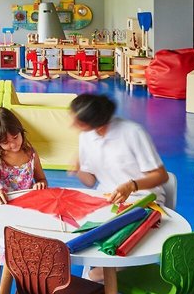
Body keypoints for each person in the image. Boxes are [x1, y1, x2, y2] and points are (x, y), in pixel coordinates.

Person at [68, 93, 168, 282]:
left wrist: (131, 186)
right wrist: (78, 168)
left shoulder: (132, 133)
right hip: (107, 201)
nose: (72, 125)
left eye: (78, 122)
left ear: (96, 123)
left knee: (113, 250)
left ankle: (101, 275)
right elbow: (90, 181)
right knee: (77, 232)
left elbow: (161, 176)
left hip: (142, 202)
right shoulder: (86, 136)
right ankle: (98, 275)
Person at [0, 107, 47, 294]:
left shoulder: (30, 153)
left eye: (15, 138)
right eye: (5, 142)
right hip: (0, 204)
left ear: (21, 132)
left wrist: (39, 184)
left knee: (34, 239)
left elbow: (41, 178)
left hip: (25, 207)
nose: (13, 144)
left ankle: (29, 282)